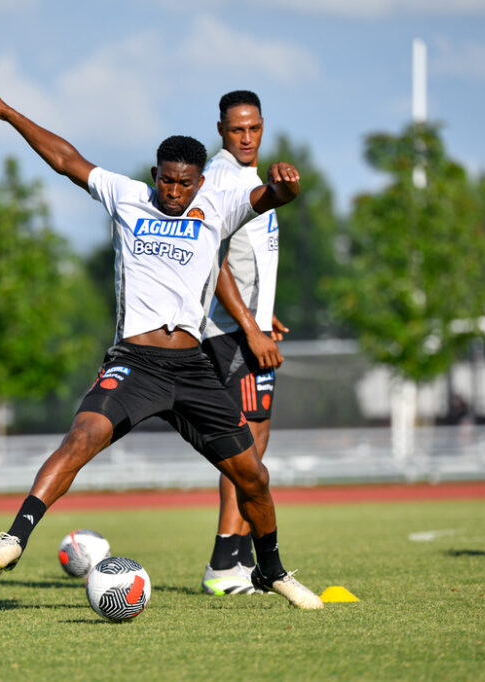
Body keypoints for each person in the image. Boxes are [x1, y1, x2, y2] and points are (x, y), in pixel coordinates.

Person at [0, 84, 323, 609]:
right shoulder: (127, 196)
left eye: (184, 184)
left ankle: (271, 570)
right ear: (155, 174)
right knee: (81, 436)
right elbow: (64, 159)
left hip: (193, 368)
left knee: (253, 476)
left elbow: (274, 198)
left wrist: (287, 185)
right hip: (136, 363)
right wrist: (5, 113)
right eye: (166, 181)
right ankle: (15, 538)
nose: (174, 192)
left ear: (200, 182)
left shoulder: (218, 206)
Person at [199, 91, 290, 596]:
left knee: (255, 439)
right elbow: (212, 260)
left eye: (254, 128)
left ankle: (239, 557)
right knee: (244, 448)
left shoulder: (249, 177)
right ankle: (224, 561)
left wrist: (264, 310)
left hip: (248, 327)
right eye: (237, 129)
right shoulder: (220, 179)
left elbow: (248, 258)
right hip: (232, 336)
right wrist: (251, 328)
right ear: (221, 130)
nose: (247, 137)